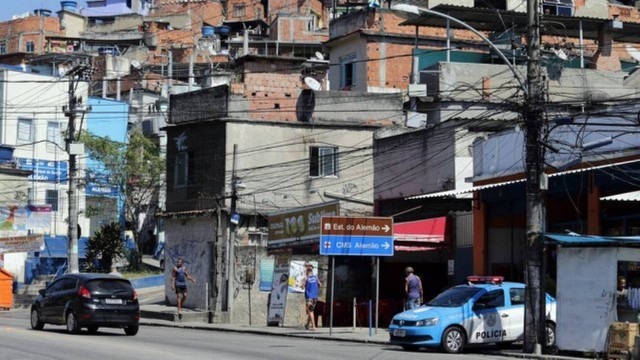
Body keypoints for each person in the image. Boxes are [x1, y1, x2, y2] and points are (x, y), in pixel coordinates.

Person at [302, 263, 322, 330]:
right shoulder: (315, 277)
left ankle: (313, 326)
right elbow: (320, 285)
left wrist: (303, 284)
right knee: (311, 310)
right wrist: (315, 288)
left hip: (309, 297)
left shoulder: (306, 278)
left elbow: (302, 287)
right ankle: (307, 325)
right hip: (315, 297)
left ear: (307, 272)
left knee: (310, 311)